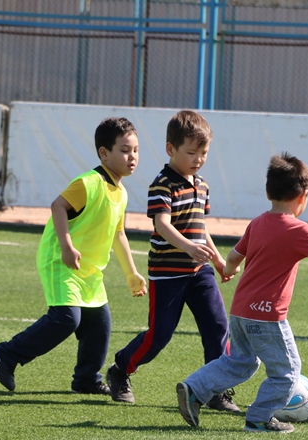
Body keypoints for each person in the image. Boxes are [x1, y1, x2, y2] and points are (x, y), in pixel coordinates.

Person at [176, 152, 308, 433]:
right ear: (303, 196)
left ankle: (194, 388)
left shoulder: (257, 223)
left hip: (241, 311)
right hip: (267, 316)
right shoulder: (296, 229)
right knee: (288, 371)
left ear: (269, 192)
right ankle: (260, 417)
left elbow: (233, 256)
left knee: (239, 362)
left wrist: (229, 269)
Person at [0, 117, 147, 394]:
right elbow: (57, 206)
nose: (131, 156)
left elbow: (118, 234)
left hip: (89, 272)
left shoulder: (120, 192)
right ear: (104, 153)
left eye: (135, 150)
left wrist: (131, 273)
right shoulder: (88, 182)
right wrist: (66, 246)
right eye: (124, 150)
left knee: (99, 324)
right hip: (60, 260)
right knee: (66, 318)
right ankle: (6, 354)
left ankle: (86, 380)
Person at [106, 110, 239, 412]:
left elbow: (200, 227)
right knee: (159, 335)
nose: (198, 159)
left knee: (218, 326)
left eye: (203, 153)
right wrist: (188, 247)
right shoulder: (162, 184)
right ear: (171, 149)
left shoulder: (202, 184)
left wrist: (217, 260)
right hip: (168, 275)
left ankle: (216, 390)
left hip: (199, 272)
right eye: (191, 152)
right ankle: (120, 370)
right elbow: (162, 225)